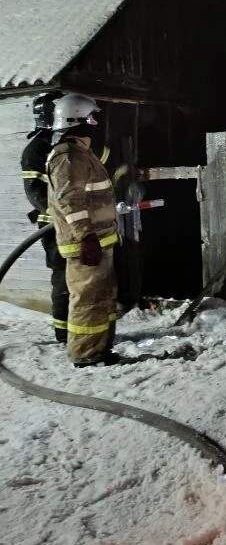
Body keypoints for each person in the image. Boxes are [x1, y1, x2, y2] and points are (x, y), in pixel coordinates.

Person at [46, 93, 119, 367]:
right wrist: (86, 236)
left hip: (99, 240)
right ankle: (86, 355)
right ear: (75, 119)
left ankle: (100, 349)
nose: (95, 124)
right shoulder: (68, 157)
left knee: (101, 298)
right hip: (86, 243)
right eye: (91, 118)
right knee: (88, 300)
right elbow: (70, 200)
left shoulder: (81, 153)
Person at [21, 91, 68, 341]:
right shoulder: (36, 149)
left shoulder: (64, 144)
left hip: (73, 223)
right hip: (53, 226)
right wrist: (60, 214)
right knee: (62, 276)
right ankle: (63, 331)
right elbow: (35, 192)